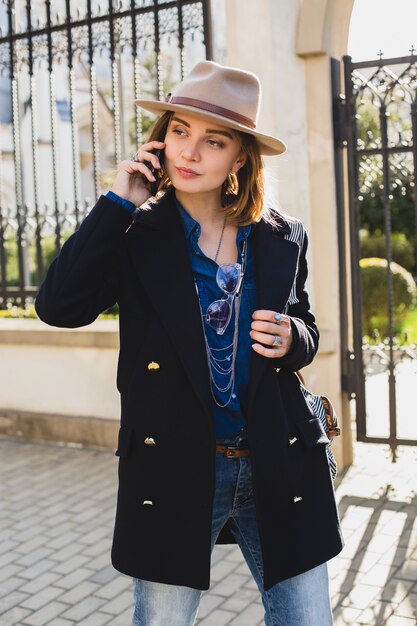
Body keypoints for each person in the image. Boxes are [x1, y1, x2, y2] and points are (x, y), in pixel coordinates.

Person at [35, 60, 343, 626]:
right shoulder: (135, 234)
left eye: (213, 140)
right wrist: (116, 203)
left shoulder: (280, 236)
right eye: (179, 131)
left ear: (240, 156)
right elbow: (58, 307)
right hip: (175, 465)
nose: (189, 152)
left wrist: (293, 338)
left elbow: (307, 328)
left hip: (280, 460)